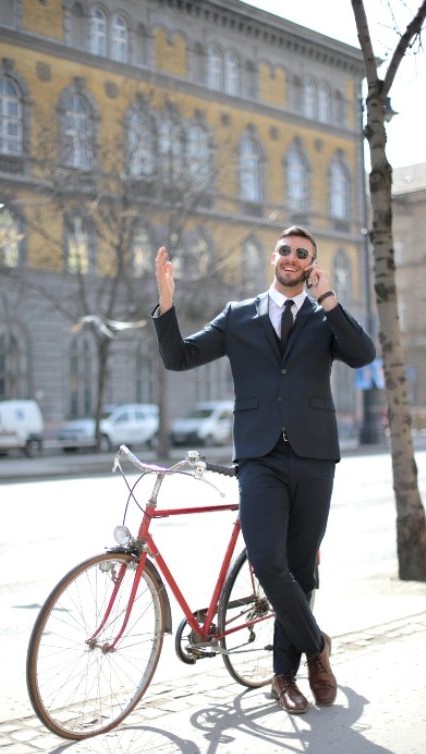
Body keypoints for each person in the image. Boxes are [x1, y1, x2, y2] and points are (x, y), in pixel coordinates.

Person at [152, 226, 376, 714]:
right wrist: (166, 303)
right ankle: (318, 647)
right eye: (285, 250)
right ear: (273, 257)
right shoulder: (239, 316)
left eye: (303, 254)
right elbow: (178, 356)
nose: (292, 258)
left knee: (301, 570)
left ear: (311, 264)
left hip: (315, 456)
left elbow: (363, 355)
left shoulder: (323, 318)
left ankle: (283, 677)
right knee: (268, 563)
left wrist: (330, 299)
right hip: (259, 456)